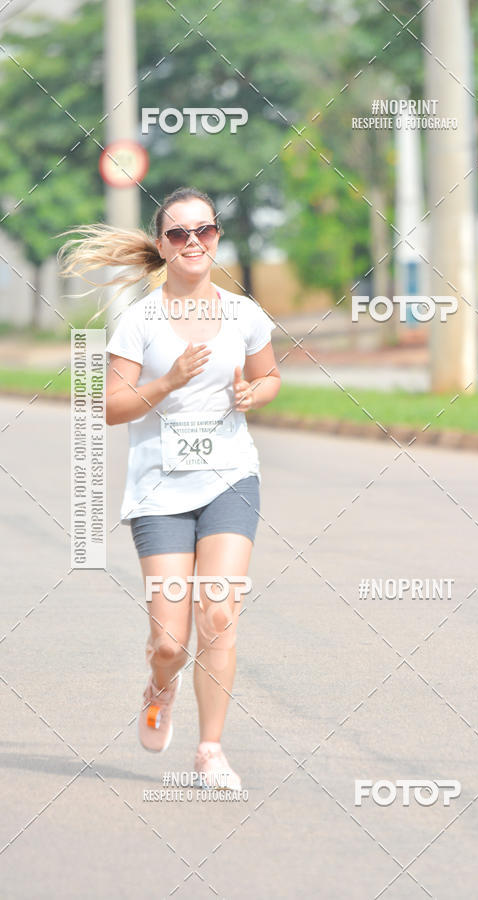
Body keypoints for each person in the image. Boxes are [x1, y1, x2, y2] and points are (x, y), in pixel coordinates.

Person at [58, 187, 281, 790]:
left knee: (219, 611)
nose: (193, 242)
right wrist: (170, 380)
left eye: (203, 231)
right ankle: (160, 686)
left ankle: (210, 751)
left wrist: (251, 395)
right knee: (167, 641)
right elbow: (110, 408)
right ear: (162, 245)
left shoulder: (243, 313)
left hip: (231, 478)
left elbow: (271, 378)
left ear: (216, 239)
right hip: (160, 492)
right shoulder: (139, 321)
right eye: (179, 233)